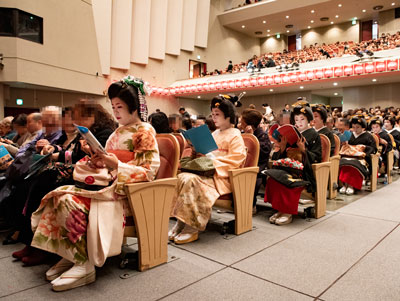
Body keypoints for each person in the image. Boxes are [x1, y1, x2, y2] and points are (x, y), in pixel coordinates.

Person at [30, 76, 160, 291]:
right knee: (57, 195)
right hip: (107, 185)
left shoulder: (144, 132)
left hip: (125, 192)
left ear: (134, 107)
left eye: (120, 106)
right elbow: (107, 161)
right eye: (113, 106)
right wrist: (96, 157)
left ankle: (84, 263)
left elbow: (148, 172)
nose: (116, 111)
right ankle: (72, 253)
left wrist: (115, 164)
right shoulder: (117, 132)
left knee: (68, 202)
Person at [11, 105, 117, 266]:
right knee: (33, 182)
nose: (74, 121)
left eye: (78, 118)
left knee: (45, 180)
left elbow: (87, 158)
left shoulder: (101, 133)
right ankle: (30, 241)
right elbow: (70, 152)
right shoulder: (82, 133)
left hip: (90, 176)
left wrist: (61, 153)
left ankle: (41, 247)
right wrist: (53, 149)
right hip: (81, 171)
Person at [169, 95, 246, 244]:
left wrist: (212, 159)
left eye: (218, 114)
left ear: (228, 116)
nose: (214, 117)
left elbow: (236, 159)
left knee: (190, 180)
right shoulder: (215, 133)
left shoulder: (235, 135)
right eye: (213, 114)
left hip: (221, 177)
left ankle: (192, 227)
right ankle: (181, 220)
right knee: (181, 177)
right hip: (207, 173)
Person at [264, 101, 322, 225]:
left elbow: (317, 156)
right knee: (273, 177)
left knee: (287, 181)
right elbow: (280, 157)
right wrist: (283, 147)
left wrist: (303, 150)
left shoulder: (314, 135)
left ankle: (287, 212)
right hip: (288, 166)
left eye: (302, 119)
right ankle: (280, 210)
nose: (299, 122)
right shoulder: (294, 133)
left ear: (309, 121)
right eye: (296, 120)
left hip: (303, 170)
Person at [238, 109, 271, 214]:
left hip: (258, 168)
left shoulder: (262, 136)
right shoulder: (243, 133)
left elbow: (262, 154)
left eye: (241, 122)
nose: (239, 124)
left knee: (251, 177)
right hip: (242, 164)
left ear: (249, 125)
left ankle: (250, 205)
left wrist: (251, 139)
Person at [338, 115, 377, 195]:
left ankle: (352, 185)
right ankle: (345, 184)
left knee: (354, 164)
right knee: (344, 163)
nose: (355, 129)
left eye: (358, 127)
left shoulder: (368, 136)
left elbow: (373, 149)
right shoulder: (349, 134)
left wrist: (364, 149)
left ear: (363, 128)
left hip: (361, 158)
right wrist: (345, 144)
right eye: (354, 127)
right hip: (348, 155)